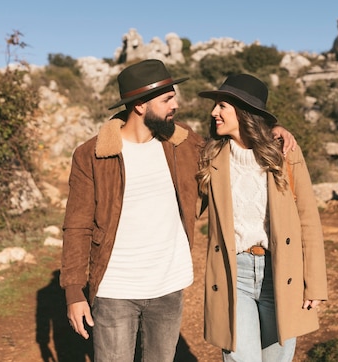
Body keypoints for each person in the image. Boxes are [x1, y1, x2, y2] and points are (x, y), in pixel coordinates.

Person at [60, 59, 296, 362]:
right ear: (141, 106)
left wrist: (271, 128)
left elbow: (231, 148)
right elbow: (76, 226)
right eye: (168, 99)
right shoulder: (92, 155)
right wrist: (73, 292)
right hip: (114, 288)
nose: (177, 104)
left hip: (169, 287)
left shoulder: (182, 143)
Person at [196, 73, 328, 362]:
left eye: (222, 106)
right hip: (234, 273)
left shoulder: (284, 154)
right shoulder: (210, 156)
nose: (213, 112)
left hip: (281, 271)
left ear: (244, 112)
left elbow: (308, 219)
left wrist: (315, 283)